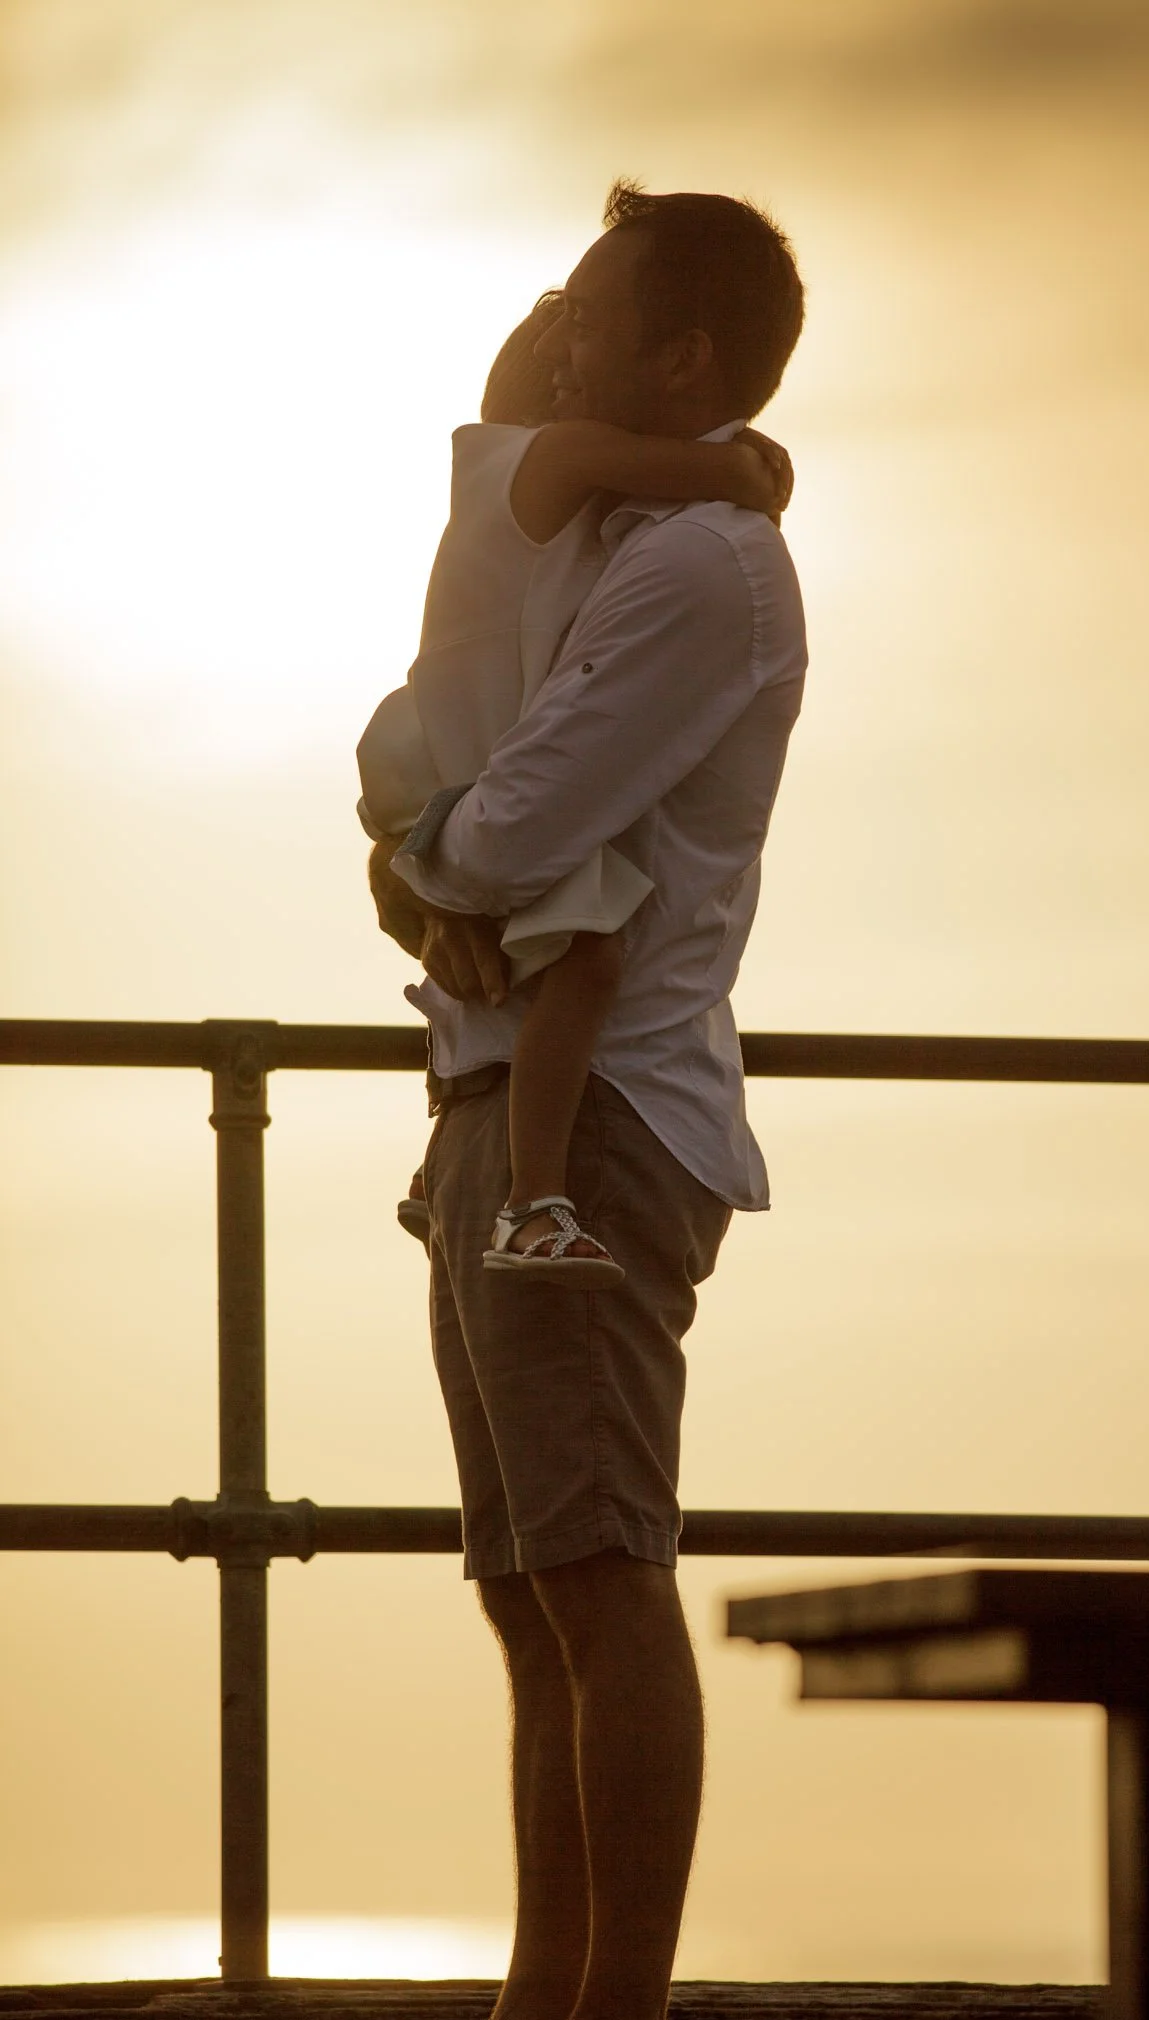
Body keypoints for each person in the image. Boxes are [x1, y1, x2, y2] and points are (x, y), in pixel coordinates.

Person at [313, 179, 807, 2020]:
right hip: (505, 1092)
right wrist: (426, 859)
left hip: (596, 1122)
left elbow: (510, 835)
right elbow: (475, 788)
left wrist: (407, 860)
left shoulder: (701, 564)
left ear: (683, 356)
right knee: (531, 1590)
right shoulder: (604, 528)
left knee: (601, 1579)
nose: (556, 329)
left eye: (597, 307)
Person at [356, 293, 793, 1284]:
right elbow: (677, 468)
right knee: (588, 954)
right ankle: (533, 1198)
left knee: (494, 947)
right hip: (454, 769)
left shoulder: (516, 503)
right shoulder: (536, 462)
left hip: (419, 758)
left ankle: (456, 1163)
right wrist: (739, 465)